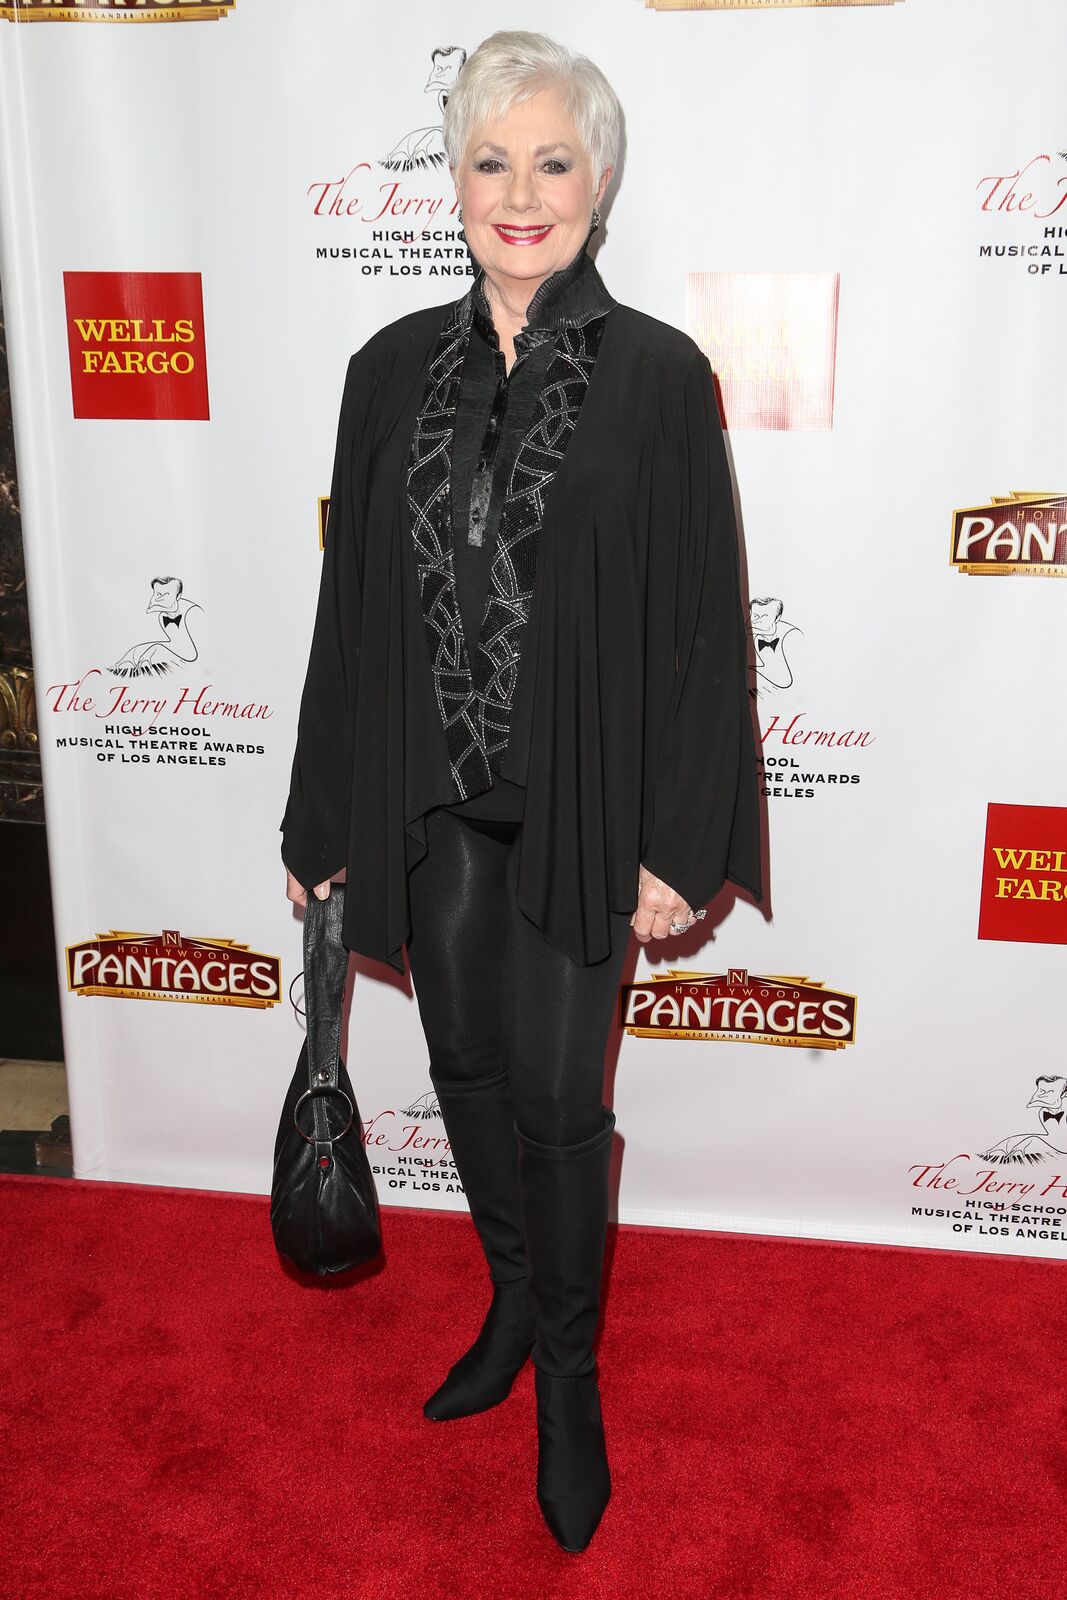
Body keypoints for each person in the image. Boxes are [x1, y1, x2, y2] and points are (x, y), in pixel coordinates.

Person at [280, 29, 763, 1554]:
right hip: (430, 800)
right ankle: (506, 1294)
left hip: (582, 808)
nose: (521, 191)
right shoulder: (385, 373)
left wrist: (682, 841)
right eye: (493, 161)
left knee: (561, 1103)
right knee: (471, 1074)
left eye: (552, 160)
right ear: (456, 181)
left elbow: (703, 621)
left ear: (599, 180)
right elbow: (350, 610)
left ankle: (566, 1381)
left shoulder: (660, 379)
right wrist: (321, 819)